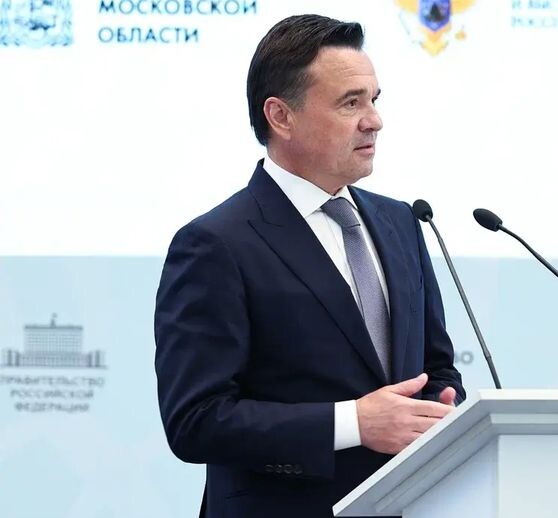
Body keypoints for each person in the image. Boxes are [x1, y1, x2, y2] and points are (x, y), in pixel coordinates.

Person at [154, 14, 465, 518]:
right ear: (281, 116)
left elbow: (436, 367)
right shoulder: (215, 244)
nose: (374, 120)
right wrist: (354, 423)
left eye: (374, 100)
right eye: (350, 103)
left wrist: (438, 408)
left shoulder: (402, 222)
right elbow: (196, 420)